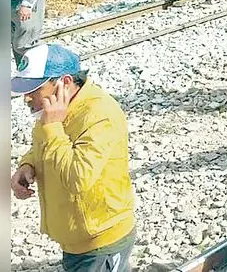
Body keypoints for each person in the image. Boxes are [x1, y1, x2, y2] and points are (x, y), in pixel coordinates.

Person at [11, 43, 136, 272]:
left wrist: (53, 127)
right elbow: (44, 144)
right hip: (77, 237)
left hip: (101, 241)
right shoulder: (56, 109)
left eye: (34, 89)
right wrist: (27, 164)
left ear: (65, 82)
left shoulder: (99, 115)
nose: (27, 98)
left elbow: (77, 178)